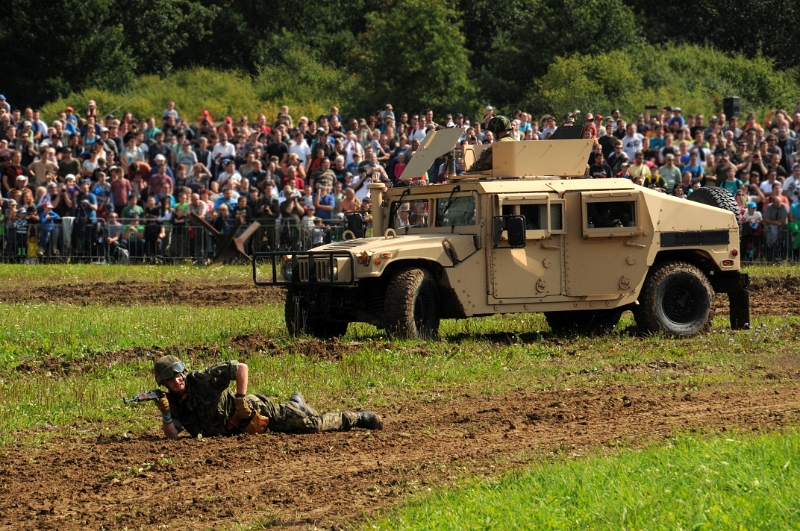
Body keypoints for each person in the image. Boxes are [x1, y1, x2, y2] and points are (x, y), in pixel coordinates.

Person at [150, 355, 382, 439]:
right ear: (164, 384)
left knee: (311, 426)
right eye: (172, 379)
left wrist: (240, 400)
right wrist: (166, 414)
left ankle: (357, 418)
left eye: (180, 374)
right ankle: (295, 403)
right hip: (241, 429)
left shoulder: (201, 380)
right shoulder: (173, 404)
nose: (178, 380)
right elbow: (172, 437)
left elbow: (241, 367)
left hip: (256, 411)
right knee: (298, 422)